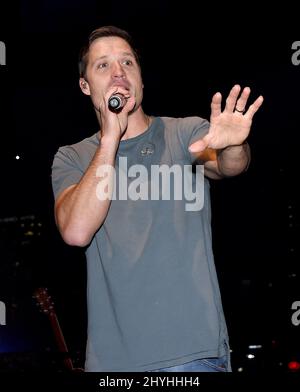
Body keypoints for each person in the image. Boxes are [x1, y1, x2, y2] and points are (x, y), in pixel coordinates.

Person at [51, 25, 263, 372]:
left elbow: (230, 167)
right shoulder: (72, 158)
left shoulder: (183, 133)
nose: (119, 72)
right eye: (103, 65)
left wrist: (233, 144)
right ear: (85, 86)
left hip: (193, 354)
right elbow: (75, 232)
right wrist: (110, 139)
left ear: (142, 81)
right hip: (115, 364)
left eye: (128, 63)